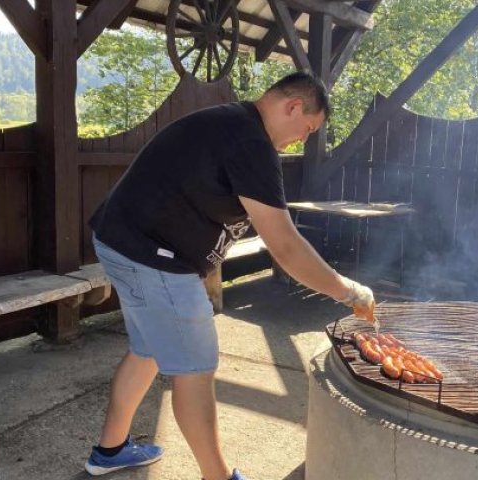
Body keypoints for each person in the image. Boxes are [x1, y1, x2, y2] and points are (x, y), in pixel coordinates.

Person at [84, 71, 375, 480]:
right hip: (151, 256)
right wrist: (349, 291)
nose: (303, 139)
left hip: (124, 241)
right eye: (308, 128)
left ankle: (110, 451)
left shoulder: (234, 124)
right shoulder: (249, 141)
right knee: (195, 369)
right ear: (293, 106)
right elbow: (287, 248)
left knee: (149, 348)